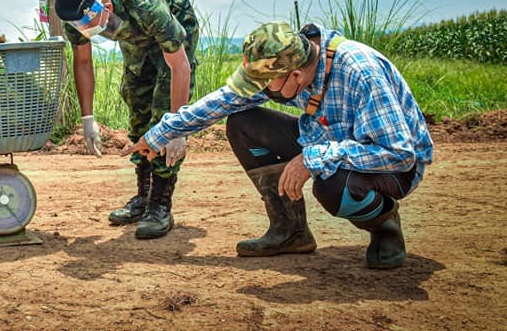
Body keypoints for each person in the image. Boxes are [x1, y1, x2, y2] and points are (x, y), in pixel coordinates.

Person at [125, 21, 433, 269]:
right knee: (243, 123)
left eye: (265, 86)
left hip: (390, 167)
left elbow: (399, 154)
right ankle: (290, 231)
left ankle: (384, 226)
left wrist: (312, 158)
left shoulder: (361, 73)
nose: (262, 91)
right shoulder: (289, 65)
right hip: (325, 140)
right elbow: (225, 101)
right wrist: (160, 133)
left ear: (295, 75)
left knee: (333, 188)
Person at [54, 0, 199, 239]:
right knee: (137, 103)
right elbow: (83, 61)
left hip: (174, 31)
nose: (82, 30)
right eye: (77, 26)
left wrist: (176, 128)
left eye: (86, 24)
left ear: (106, 8)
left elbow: (180, 66)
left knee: (163, 113)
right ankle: (143, 197)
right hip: (137, 38)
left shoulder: (147, 6)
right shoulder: (76, 13)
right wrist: (88, 119)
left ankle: (160, 205)